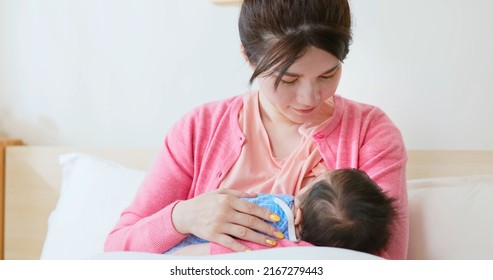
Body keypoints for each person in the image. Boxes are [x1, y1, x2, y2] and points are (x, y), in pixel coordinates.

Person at [104, 0, 408, 259]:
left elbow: (381, 264)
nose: (310, 97)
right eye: (288, 80)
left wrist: (230, 253)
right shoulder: (199, 130)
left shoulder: (371, 133)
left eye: (328, 74)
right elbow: (117, 250)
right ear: (249, 57)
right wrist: (182, 217)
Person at [166, 168, 398, 256]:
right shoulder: (310, 252)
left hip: (185, 246)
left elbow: (212, 249)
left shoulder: (273, 211)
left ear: (296, 215)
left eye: (315, 181)